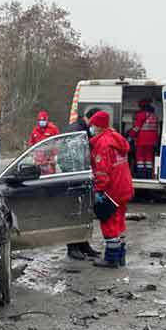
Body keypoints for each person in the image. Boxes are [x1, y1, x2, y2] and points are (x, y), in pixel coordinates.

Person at [88, 110, 134, 268]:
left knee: (109, 223)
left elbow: (102, 173)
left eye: (93, 125)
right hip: (124, 187)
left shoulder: (102, 144)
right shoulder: (117, 139)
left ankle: (111, 258)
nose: (91, 128)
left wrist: (98, 191)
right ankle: (121, 255)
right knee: (120, 221)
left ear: (98, 126)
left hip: (112, 190)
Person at [64, 108, 101, 260]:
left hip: (83, 177)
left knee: (84, 213)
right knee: (75, 212)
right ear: (90, 119)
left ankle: (83, 244)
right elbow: (68, 156)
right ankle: (72, 247)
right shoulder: (77, 131)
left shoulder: (83, 129)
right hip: (74, 178)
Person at [128, 99, 158, 179]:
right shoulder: (154, 116)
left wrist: (130, 136)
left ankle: (141, 175)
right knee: (149, 159)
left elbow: (136, 128)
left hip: (142, 141)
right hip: (152, 142)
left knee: (140, 158)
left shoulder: (140, 115)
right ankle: (148, 174)